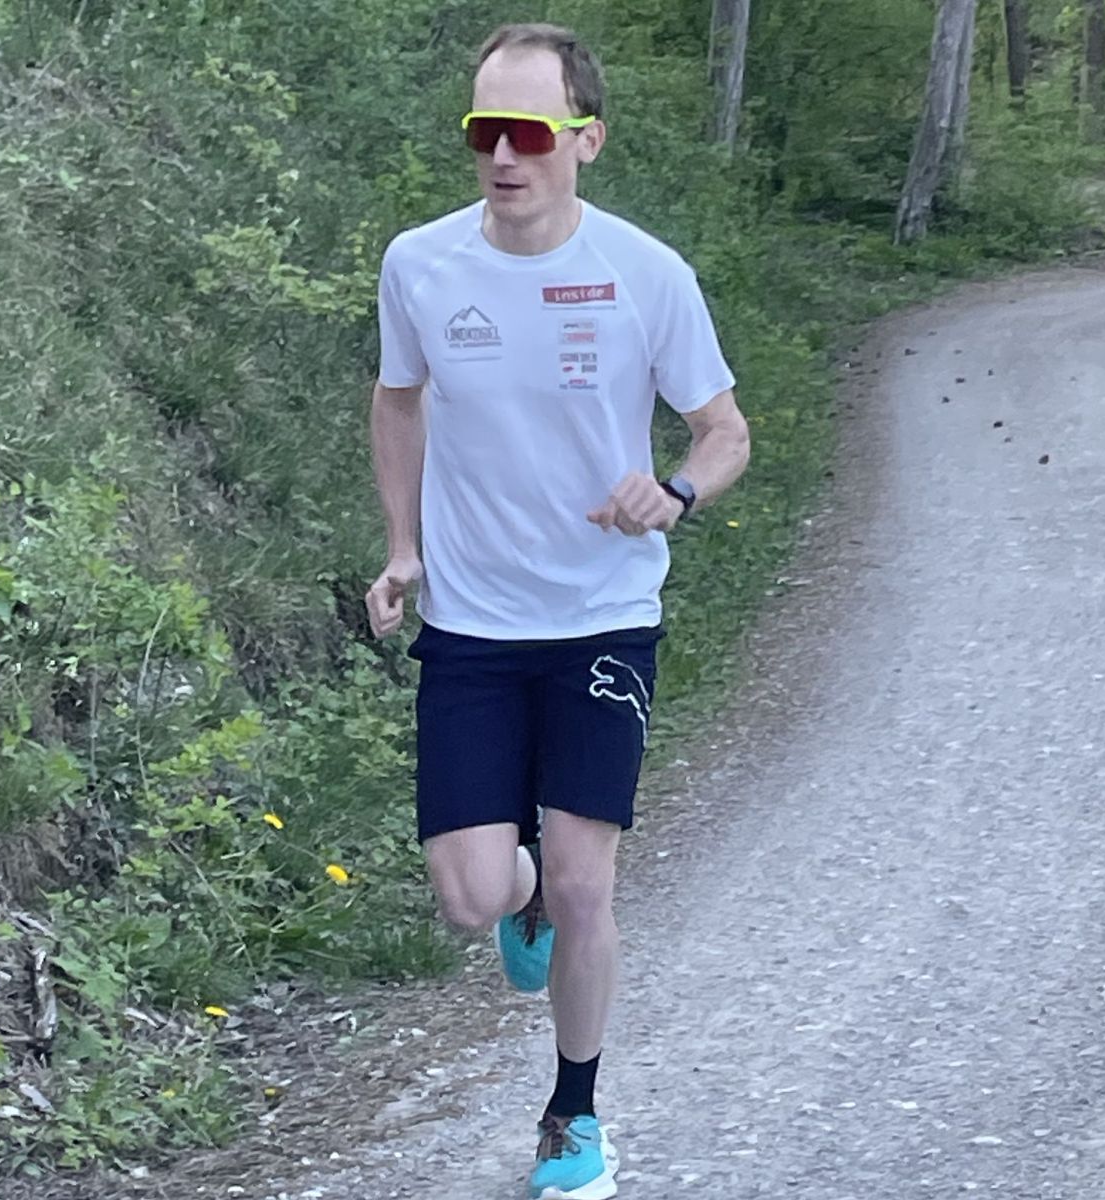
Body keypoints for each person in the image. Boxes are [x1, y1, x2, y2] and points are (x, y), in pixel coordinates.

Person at [364, 22, 750, 1200]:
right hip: (474, 627)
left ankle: (573, 1118)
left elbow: (723, 432)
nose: (503, 155)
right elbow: (397, 402)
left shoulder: (647, 274)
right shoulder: (420, 265)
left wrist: (675, 492)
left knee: (591, 886)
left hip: (602, 616)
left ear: (587, 139)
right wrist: (403, 548)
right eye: (485, 131)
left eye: (529, 133)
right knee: (471, 897)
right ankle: (516, 888)